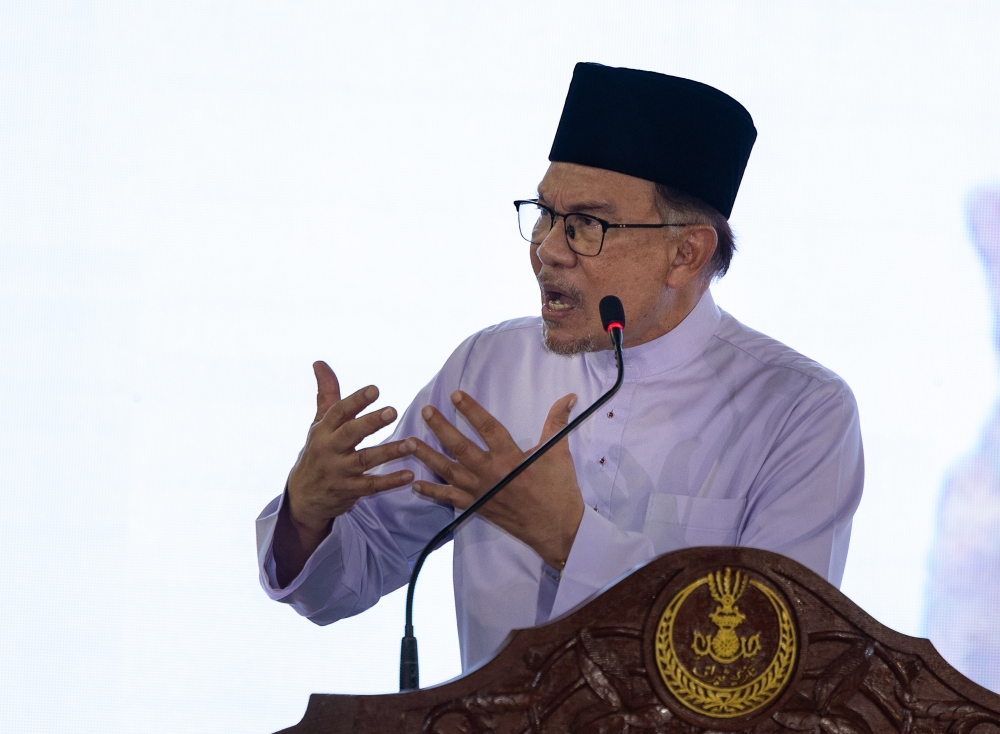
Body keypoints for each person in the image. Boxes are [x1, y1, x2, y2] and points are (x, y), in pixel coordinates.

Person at [256, 62, 865, 672]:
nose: (546, 249)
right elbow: (352, 573)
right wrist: (308, 513)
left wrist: (571, 538)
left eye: (586, 226)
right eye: (544, 214)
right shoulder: (489, 369)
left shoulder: (800, 412)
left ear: (686, 253)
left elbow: (778, 669)